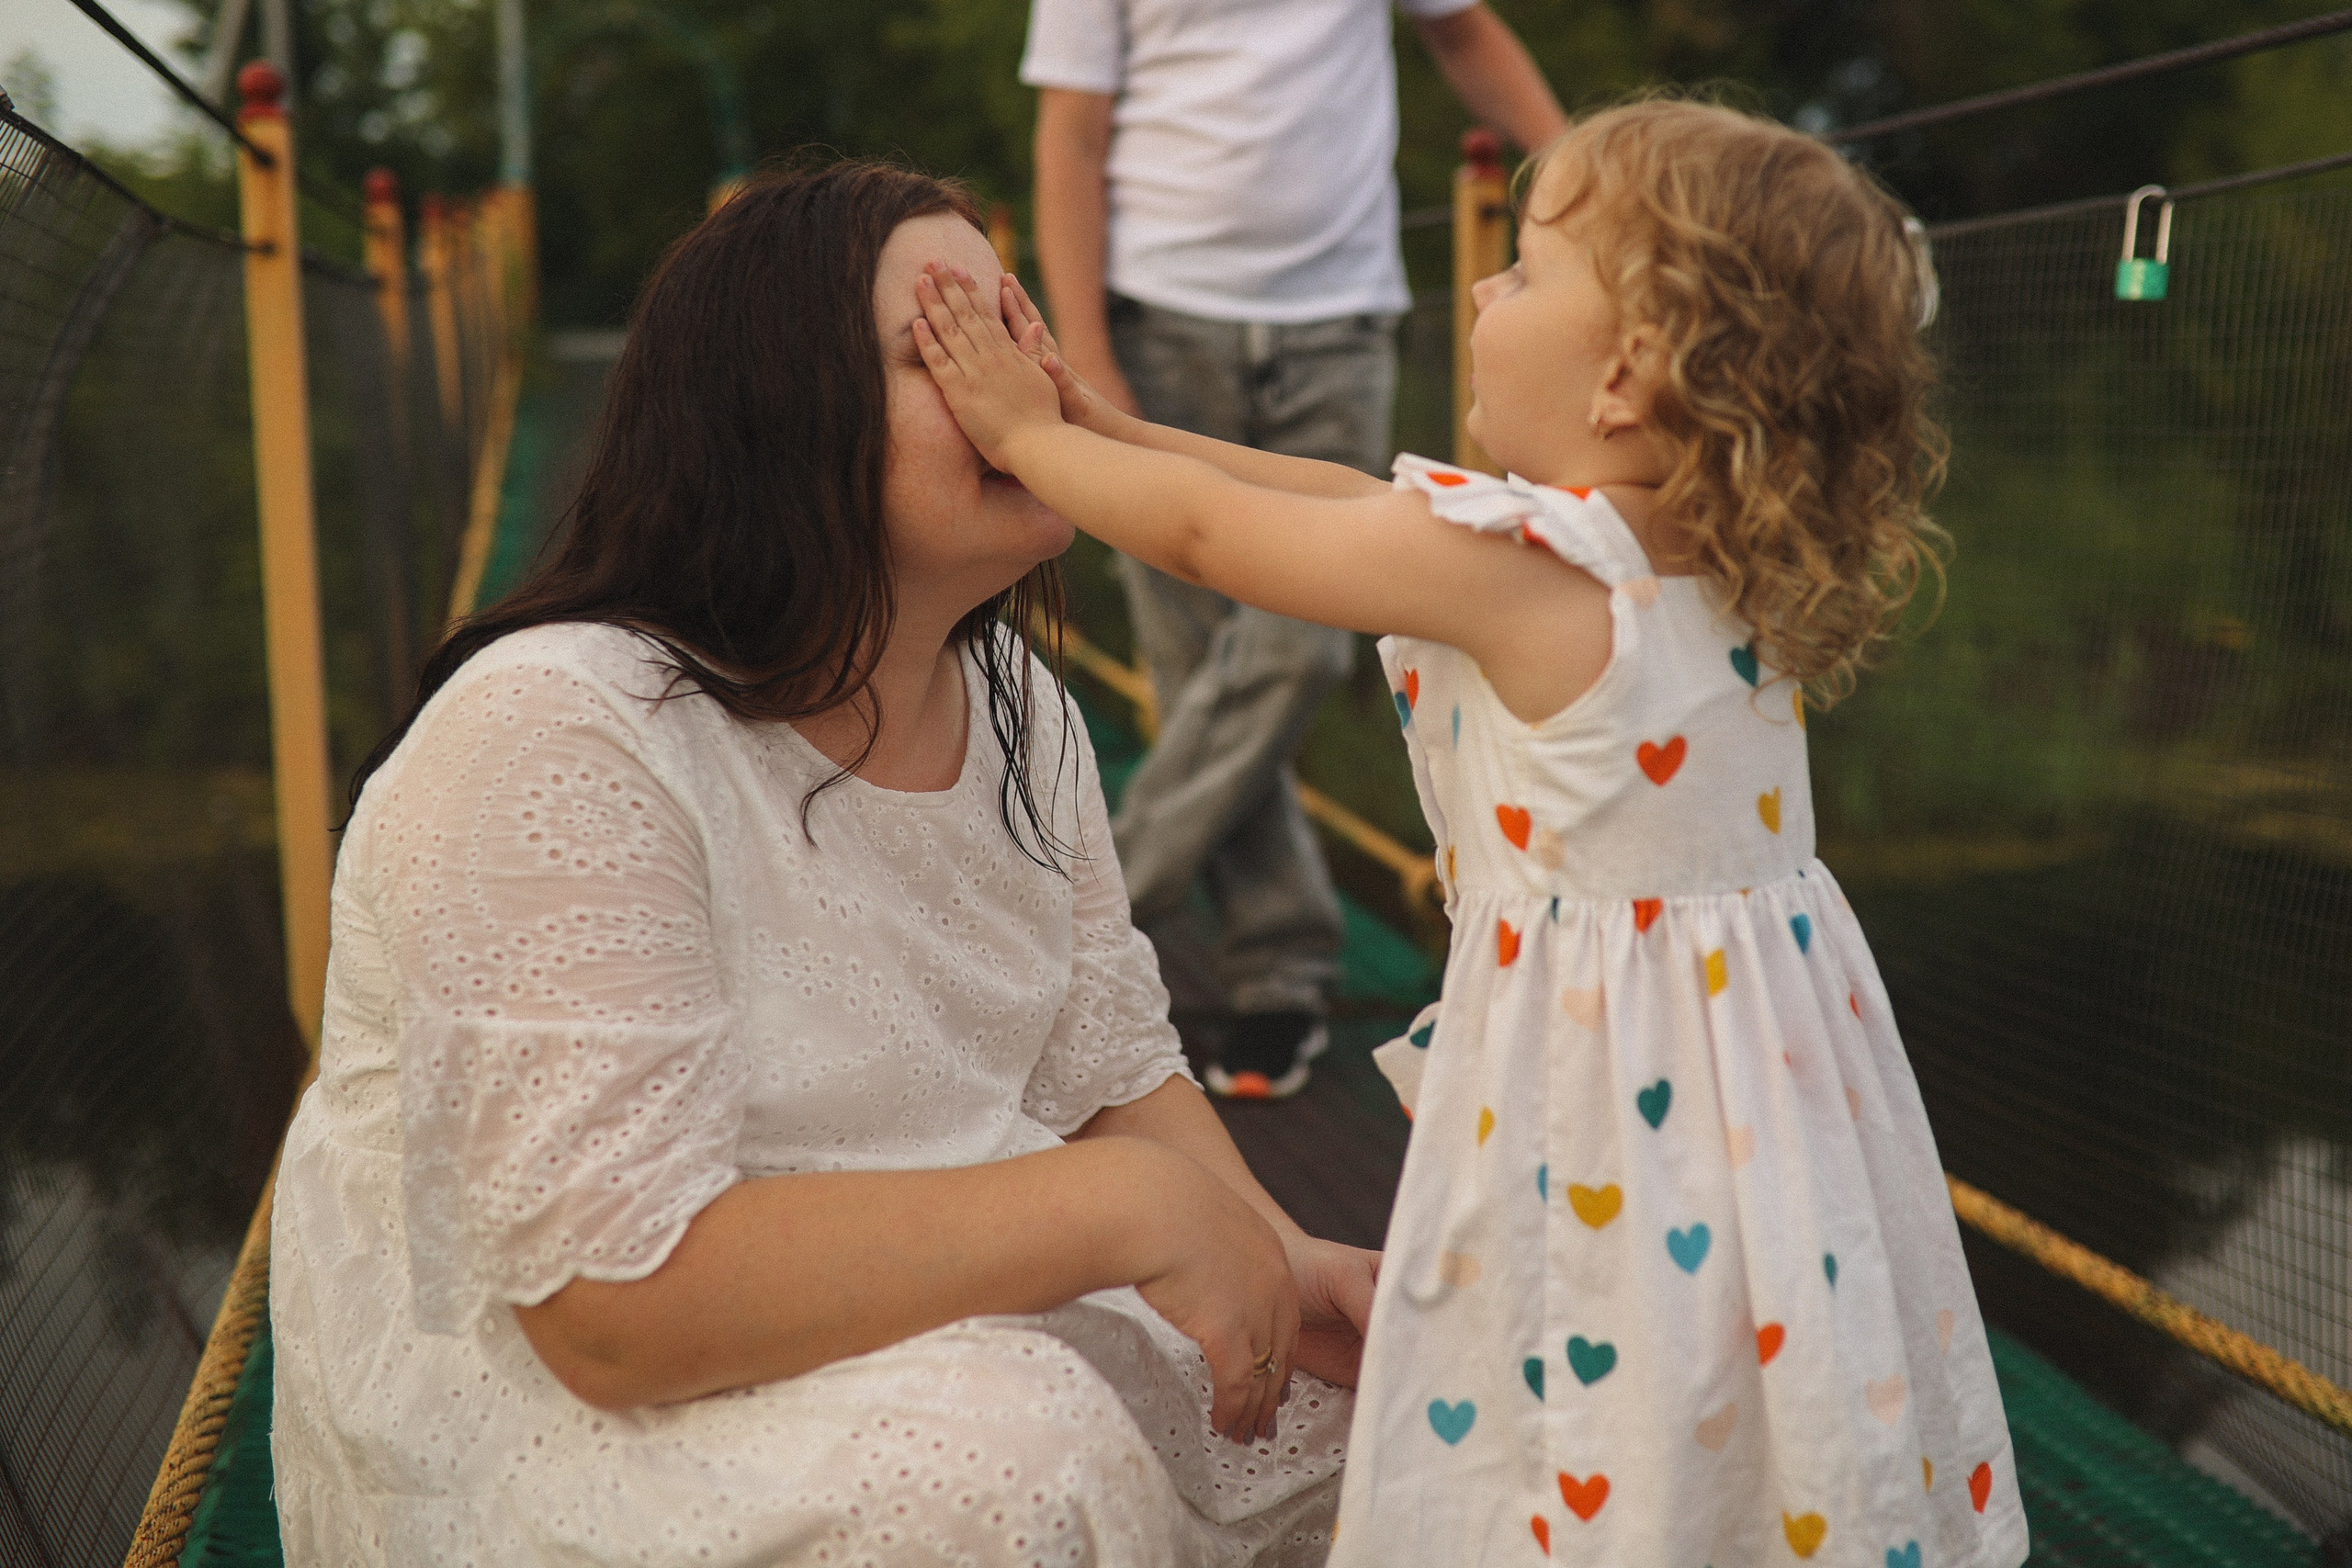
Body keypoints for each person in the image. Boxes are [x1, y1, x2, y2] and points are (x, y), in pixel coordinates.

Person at [907, 97, 2031, 1565]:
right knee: (1725, 1385)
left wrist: (1020, 440)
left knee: (1571, 1391)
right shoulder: (1714, 571)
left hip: (1604, 1104)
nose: (1486, 292)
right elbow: (1337, 497)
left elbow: (1209, 536)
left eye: (1524, 270)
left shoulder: (1543, 577)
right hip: (1761, 1106)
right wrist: (1099, 427)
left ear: (1626, 374)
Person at [266, 159, 1381, 1567]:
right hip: (593, 1401)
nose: (1019, 388)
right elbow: (612, 1309)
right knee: (1009, 1462)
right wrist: (1133, 1211)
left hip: (942, 1292)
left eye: (1019, 327)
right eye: (945, 349)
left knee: (1416, 1408)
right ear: (777, 418)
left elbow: (1108, 1070)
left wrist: (1279, 1264)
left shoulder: (1023, 704)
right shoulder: (557, 728)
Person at [1023, 0, 1567, 1098]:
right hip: (1157, 321)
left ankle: (1073, 920)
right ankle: (1277, 977)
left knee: (1301, 646)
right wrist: (1084, 349)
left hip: (1339, 319)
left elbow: (1463, 32)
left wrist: (1593, 183)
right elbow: (1071, 133)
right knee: (1198, 675)